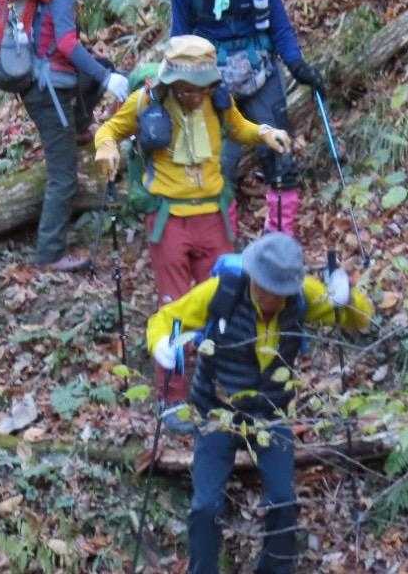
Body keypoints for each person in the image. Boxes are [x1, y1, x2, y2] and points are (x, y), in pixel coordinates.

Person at [145, 233, 372, 574]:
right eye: (266, 289)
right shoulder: (221, 292)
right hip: (216, 413)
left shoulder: (301, 296)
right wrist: (161, 343)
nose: (272, 299)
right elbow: (164, 319)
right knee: (206, 506)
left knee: (283, 501)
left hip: (270, 415)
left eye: (279, 292)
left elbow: (361, 318)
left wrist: (346, 296)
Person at [94, 35, 290, 420]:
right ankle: (173, 397)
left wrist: (265, 133)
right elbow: (109, 130)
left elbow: (240, 128)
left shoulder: (218, 100)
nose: (193, 96)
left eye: (200, 88)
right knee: (176, 306)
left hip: (214, 215)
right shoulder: (146, 101)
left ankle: (229, 384)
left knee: (226, 301)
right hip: (169, 218)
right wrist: (106, 148)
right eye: (185, 89)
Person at [169, 0, 326, 238]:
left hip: (261, 74)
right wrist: (179, 87)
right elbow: (179, 42)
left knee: (278, 154)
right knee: (218, 164)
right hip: (212, 82)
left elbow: (279, 25)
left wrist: (297, 65)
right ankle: (222, 238)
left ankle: (278, 236)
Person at [0, 0, 130, 272]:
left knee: (99, 67)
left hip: (42, 83)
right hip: (49, 91)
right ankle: (49, 253)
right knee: (63, 175)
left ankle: (79, 127)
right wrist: (107, 79)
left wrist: (101, 72)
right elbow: (67, 44)